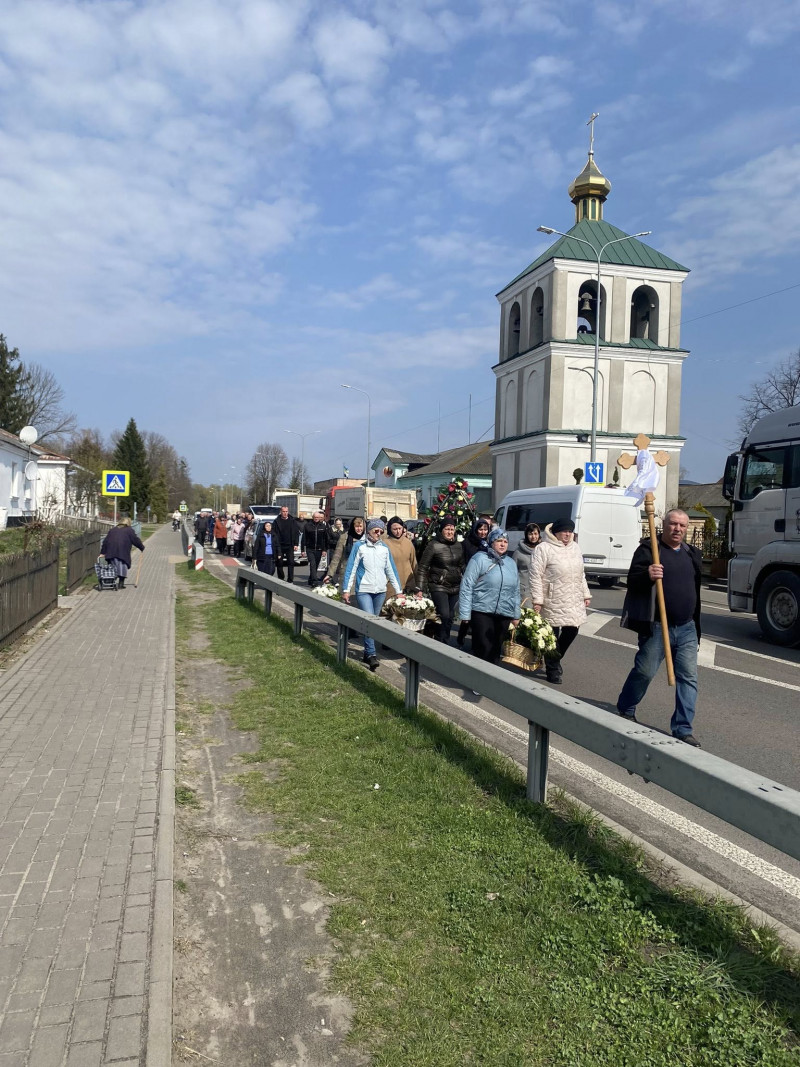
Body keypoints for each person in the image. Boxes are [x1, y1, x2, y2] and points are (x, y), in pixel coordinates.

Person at [616, 509, 702, 746]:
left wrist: (696, 625)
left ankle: (683, 728)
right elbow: (632, 580)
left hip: (686, 627)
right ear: (664, 524)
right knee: (644, 672)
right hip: (656, 625)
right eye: (673, 524)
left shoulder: (692, 553)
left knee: (688, 678)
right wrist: (647, 574)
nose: (677, 529)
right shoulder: (649, 550)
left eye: (682, 525)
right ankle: (626, 707)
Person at [529, 518, 591, 685]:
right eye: (564, 531)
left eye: (570, 531)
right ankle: (553, 670)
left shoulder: (575, 547)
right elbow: (535, 576)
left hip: (573, 597)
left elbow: (581, 574)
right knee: (552, 635)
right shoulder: (543, 548)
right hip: (552, 597)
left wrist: (586, 594)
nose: (567, 534)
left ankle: (555, 659)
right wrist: (537, 600)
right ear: (556, 532)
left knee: (572, 630)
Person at [458, 528, 520, 674]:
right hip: (482, 610)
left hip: (504, 612)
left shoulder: (511, 563)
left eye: (505, 541)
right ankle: (478, 678)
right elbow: (467, 585)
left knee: (496, 649)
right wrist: (465, 613)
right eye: (499, 541)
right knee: (483, 647)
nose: (502, 544)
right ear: (491, 542)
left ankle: (491, 678)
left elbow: (516, 590)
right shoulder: (479, 559)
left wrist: (516, 614)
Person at [342, 519, 401, 671]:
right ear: (369, 530)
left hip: (380, 591)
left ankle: (367, 653)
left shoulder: (384, 548)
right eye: (376, 530)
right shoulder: (359, 546)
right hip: (364, 590)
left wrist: (399, 592)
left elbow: (391, 570)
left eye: (381, 531)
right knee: (369, 620)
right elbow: (351, 568)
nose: (378, 533)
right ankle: (372, 654)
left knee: (373, 623)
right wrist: (346, 590)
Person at [415, 516, 465, 643]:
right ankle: (438, 640)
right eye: (447, 529)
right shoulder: (434, 545)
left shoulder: (458, 545)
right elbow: (423, 567)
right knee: (444, 614)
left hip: (455, 586)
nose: (450, 532)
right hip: (438, 585)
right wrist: (419, 588)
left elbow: (462, 565)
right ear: (441, 530)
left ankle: (444, 641)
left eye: (452, 529)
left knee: (451, 617)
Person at [457, 518, 490, 647]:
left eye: (485, 529)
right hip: (470, 580)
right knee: (469, 611)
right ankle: (461, 637)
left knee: (479, 613)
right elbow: (461, 561)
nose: (483, 532)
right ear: (475, 530)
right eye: (480, 529)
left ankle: (476, 642)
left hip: (484, 582)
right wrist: (467, 573)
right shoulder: (467, 543)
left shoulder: (488, 544)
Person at [100, 518, 145, 589]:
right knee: (122, 566)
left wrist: (102, 552)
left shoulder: (112, 530)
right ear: (128, 523)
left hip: (111, 551)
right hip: (122, 552)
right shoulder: (129, 530)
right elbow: (135, 539)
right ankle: (121, 584)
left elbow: (105, 542)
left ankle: (111, 582)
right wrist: (141, 547)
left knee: (113, 567)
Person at [325, 516, 365, 587]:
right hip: (347, 571)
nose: (359, 529)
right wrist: (330, 574)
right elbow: (337, 556)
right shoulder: (344, 537)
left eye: (360, 526)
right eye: (356, 526)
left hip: (364, 572)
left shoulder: (368, 538)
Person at [383, 515, 417, 596]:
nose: (398, 531)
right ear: (390, 529)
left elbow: (414, 563)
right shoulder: (384, 544)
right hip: (391, 585)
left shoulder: (408, 543)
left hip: (409, 583)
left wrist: (418, 583)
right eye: (395, 529)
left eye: (400, 528)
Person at [303, 511, 333, 588]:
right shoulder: (307, 526)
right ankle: (314, 582)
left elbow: (326, 539)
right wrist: (303, 550)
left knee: (315, 565)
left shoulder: (323, 526)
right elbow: (304, 538)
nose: (316, 519)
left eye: (318, 517)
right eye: (315, 517)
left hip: (319, 549)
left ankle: (310, 579)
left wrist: (324, 550)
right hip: (310, 549)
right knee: (312, 564)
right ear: (313, 517)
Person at [513, 523, 541, 604]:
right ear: (526, 535)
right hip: (524, 590)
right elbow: (513, 572)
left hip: (539, 589)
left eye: (535, 533)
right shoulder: (519, 552)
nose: (533, 536)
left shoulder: (542, 550)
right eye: (530, 534)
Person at [273, 505, 301, 583]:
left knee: (291, 562)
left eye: (286, 511)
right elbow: (274, 534)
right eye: (283, 511)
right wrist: (275, 545)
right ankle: (281, 577)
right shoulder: (276, 521)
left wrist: (296, 544)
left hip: (290, 545)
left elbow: (296, 533)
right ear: (281, 512)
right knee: (279, 562)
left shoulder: (292, 521)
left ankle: (290, 579)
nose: (285, 513)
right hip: (280, 545)